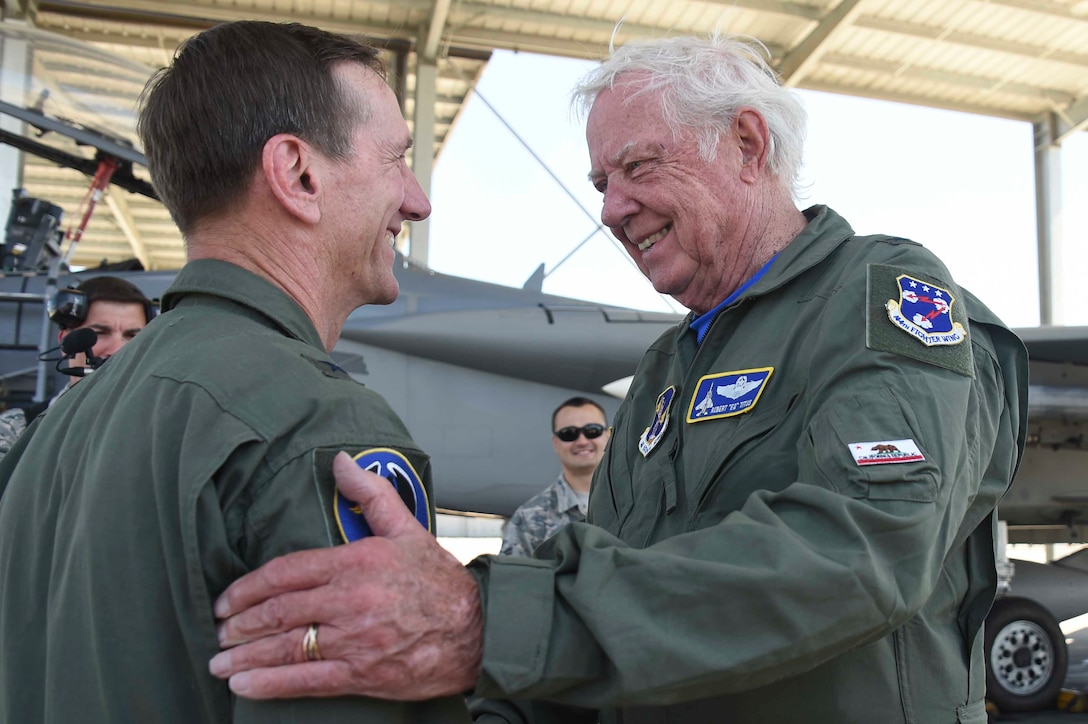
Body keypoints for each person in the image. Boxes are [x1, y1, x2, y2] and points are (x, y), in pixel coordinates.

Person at [207, 33, 1029, 724]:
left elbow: (863, 549)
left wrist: (486, 620)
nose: (610, 209)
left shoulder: (875, 295)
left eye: (638, 168)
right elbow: (617, 593)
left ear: (747, 144)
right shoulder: (665, 373)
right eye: (603, 184)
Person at [0, 20, 473, 723]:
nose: (416, 200)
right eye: (394, 160)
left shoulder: (56, 434)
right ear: (298, 174)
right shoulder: (317, 423)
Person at [0, 274, 154, 459]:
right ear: (65, 341)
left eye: (132, 336)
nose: (118, 349)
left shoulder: (164, 428)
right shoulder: (15, 431)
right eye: (99, 333)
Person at [501, 397, 609, 557]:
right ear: (556, 443)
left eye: (592, 431)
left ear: (607, 436)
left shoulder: (635, 503)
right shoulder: (529, 518)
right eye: (569, 434)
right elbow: (511, 579)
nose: (582, 441)